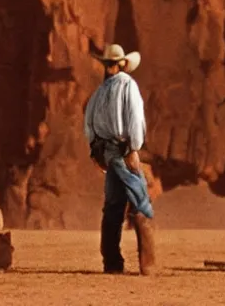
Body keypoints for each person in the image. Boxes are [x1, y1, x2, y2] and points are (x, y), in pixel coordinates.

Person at [85, 43, 157, 275]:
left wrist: (96, 153)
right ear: (123, 63)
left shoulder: (98, 93)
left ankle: (112, 264)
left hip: (106, 152)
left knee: (113, 207)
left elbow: (89, 125)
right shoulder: (128, 86)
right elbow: (134, 118)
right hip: (123, 150)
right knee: (141, 202)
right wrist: (133, 148)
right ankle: (149, 265)